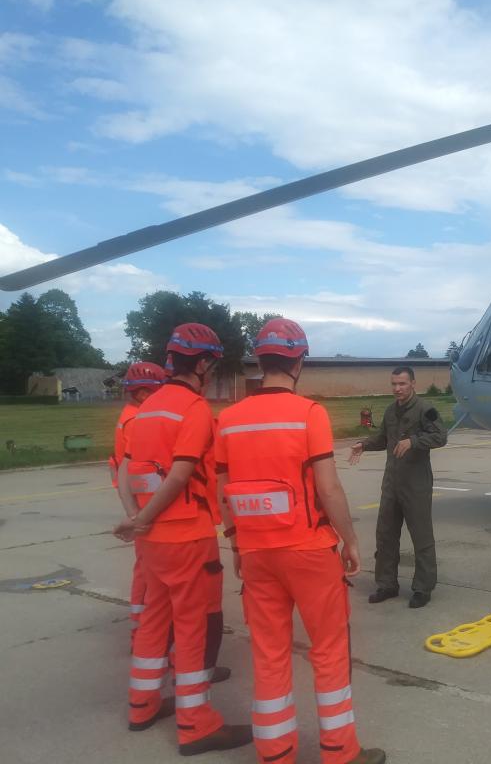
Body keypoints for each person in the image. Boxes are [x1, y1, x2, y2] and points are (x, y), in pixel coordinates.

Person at [215, 318, 385, 764]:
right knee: (328, 651)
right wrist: (349, 541)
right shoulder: (309, 414)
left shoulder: (228, 420)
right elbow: (328, 489)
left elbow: (223, 491)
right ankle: (339, 752)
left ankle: (275, 755)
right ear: (299, 361)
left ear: (260, 358)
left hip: (255, 553)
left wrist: (235, 544)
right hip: (309, 552)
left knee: (270, 656)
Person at [113, 323, 251, 755]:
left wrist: (137, 518)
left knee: (155, 620)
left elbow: (124, 468)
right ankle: (196, 725)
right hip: (186, 536)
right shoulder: (192, 409)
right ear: (205, 364)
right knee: (191, 629)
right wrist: (143, 519)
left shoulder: (148, 408)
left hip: (152, 542)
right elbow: (180, 473)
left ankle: (142, 704)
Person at [348, 366, 447, 608]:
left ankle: (423, 588)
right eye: (394, 384)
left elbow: (441, 436)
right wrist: (364, 444)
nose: (397, 389)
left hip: (416, 484)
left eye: (402, 384)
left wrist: (413, 441)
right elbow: (383, 438)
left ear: (413, 383)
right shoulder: (391, 411)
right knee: (385, 535)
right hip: (391, 483)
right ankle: (387, 584)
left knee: (421, 536)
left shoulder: (426, 409)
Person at [110, 362, 166, 637]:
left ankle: (142, 627)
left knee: (146, 567)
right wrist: (137, 516)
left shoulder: (131, 415)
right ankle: (145, 631)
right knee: (148, 570)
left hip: (140, 496)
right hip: (144, 499)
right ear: (144, 394)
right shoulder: (136, 421)